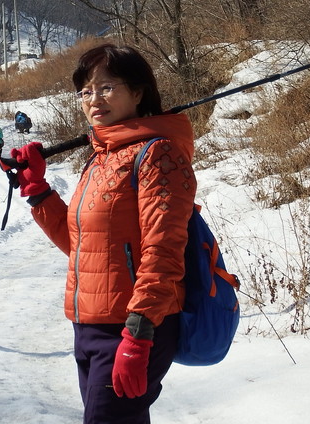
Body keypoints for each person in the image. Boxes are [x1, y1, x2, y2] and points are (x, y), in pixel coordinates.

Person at [10, 43, 196, 424]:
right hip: (89, 329)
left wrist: (139, 333)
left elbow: (163, 251)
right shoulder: (101, 158)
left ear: (138, 92)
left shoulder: (158, 155)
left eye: (107, 87)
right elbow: (83, 247)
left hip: (133, 328)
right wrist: (38, 191)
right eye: (86, 91)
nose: (94, 99)